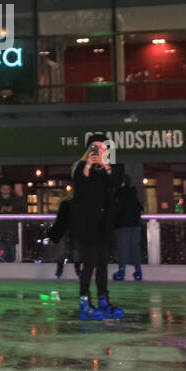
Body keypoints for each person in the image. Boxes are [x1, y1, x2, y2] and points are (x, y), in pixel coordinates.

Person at [70, 135, 124, 320]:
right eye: (95, 147)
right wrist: (87, 165)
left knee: (102, 264)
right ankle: (84, 302)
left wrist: (106, 165)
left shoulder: (111, 168)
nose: (99, 151)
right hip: (86, 225)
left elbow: (117, 183)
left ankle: (103, 300)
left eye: (102, 147)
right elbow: (79, 185)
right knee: (90, 263)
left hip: (104, 225)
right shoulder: (80, 167)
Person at [111, 172, 144, 282]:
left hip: (123, 225)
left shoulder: (119, 195)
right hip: (135, 224)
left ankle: (122, 271)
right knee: (134, 247)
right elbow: (140, 209)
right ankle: (138, 270)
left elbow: (115, 211)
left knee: (122, 248)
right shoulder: (133, 193)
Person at [0, 182, 24, 262]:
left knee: (12, 256)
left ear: (10, 190)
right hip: (0, 233)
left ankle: (11, 273)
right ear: (1, 190)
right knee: (3, 256)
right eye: (4, 189)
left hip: (12, 233)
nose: (6, 191)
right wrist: (0, 209)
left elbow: (21, 214)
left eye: (7, 189)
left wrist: (12, 210)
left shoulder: (16, 200)